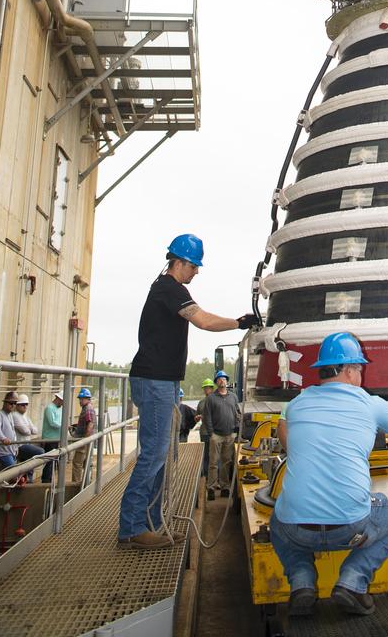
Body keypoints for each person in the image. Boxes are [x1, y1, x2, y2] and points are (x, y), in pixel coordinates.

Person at [117, 232, 256, 550]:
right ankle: (131, 528)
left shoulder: (167, 289)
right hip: (154, 382)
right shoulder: (168, 288)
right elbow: (203, 321)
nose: (196, 271)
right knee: (152, 456)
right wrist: (238, 322)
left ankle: (149, 524)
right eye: (193, 265)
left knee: (159, 457)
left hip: (161, 382)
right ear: (178, 262)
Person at [269, 331, 388, 618]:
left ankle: (302, 583)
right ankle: (352, 581)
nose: (361, 376)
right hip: (350, 527)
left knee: (279, 519)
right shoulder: (367, 403)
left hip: (296, 529)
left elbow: (286, 439)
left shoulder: (298, 403)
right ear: (349, 371)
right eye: (360, 369)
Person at [202, 369, 240, 499]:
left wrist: (236, 429)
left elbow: (237, 414)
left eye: (224, 378)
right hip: (216, 435)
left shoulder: (233, 397)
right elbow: (207, 417)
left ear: (227, 381)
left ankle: (225, 487)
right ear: (216, 382)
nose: (222, 380)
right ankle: (211, 488)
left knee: (226, 462)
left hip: (230, 435)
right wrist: (211, 433)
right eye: (219, 379)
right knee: (213, 462)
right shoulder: (211, 398)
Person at [12, 394, 43, 481]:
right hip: (19, 446)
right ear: (17, 405)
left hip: (26, 443)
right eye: (22, 404)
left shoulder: (25, 416)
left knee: (30, 459)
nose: (25, 406)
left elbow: (35, 430)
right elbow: (26, 431)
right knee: (40, 451)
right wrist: (29, 428)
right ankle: (28, 478)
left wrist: (29, 428)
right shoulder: (15, 415)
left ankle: (28, 479)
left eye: (26, 404)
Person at [71, 387, 95, 485]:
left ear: (87, 399)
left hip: (84, 441)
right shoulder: (87, 408)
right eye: (80, 399)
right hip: (87, 440)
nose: (80, 401)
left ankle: (75, 485)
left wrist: (84, 441)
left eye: (82, 399)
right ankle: (87, 483)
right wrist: (77, 426)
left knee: (77, 463)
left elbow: (90, 424)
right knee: (86, 462)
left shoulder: (88, 409)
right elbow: (87, 424)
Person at [0, 391, 22, 472]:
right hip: (3, 452)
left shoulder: (10, 414)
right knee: (14, 474)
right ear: (5, 403)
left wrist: (15, 448)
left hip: (11, 450)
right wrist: (3, 438)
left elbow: (13, 432)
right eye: (11, 403)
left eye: (15, 403)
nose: (13, 405)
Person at [41, 390, 64, 483]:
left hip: (56, 438)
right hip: (49, 439)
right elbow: (52, 423)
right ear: (58, 399)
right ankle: (46, 480)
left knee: (54, 461)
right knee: (49, 461)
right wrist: (64, 426)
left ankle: (51, 479)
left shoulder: (59, 408)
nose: (63, 404)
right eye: (62, 401)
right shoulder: (49, 408)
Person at [197, 377, 215, 477]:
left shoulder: (217, 401)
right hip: (204, 433)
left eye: (208, 388)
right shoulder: (201, 403)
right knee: (206, 456)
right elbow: (196, 416)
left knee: (216, 456)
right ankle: (206, 477)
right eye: (205, 388)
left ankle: (215, 477)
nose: (207, 390)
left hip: (215, 432)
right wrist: (197, 417)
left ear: (212, 389)